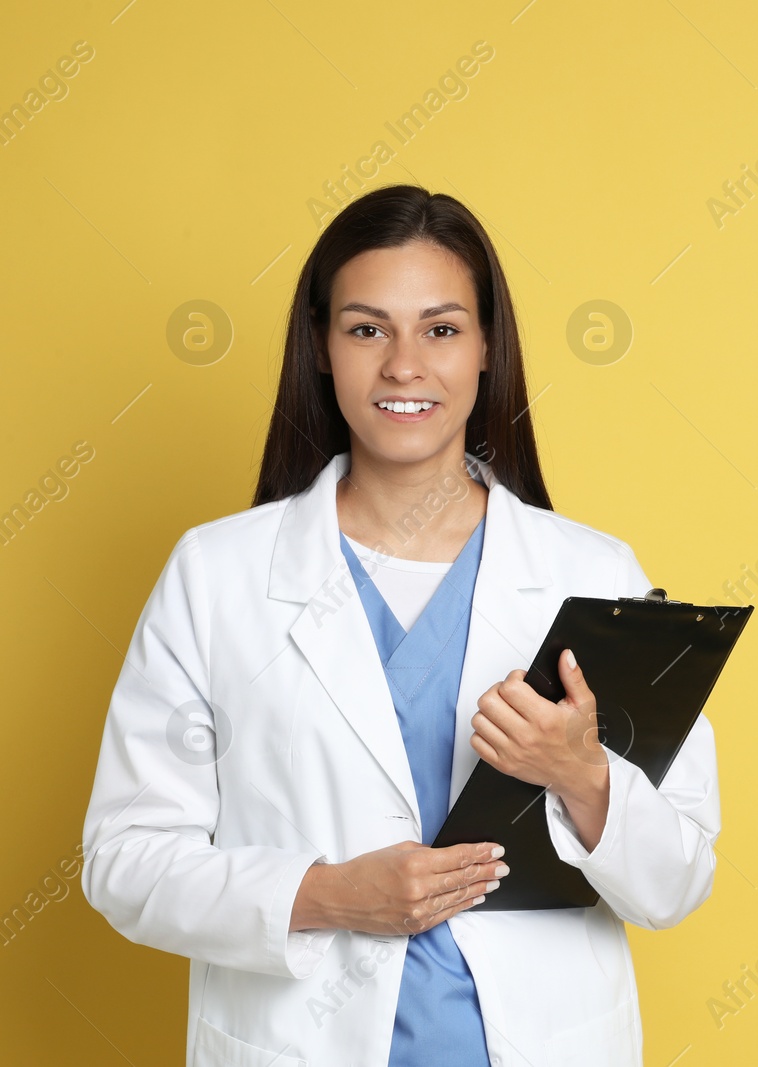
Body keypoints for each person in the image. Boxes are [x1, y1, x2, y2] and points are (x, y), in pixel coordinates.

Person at [80, 184, 720, 1066]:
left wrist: (582, 775)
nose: (405, 366)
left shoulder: (593, 574)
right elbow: (126, 860)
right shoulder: (217, 574)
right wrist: (327, 895)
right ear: (320, 346)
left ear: (489, 347)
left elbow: (678, 878)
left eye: (443, 329)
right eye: (367, 328)